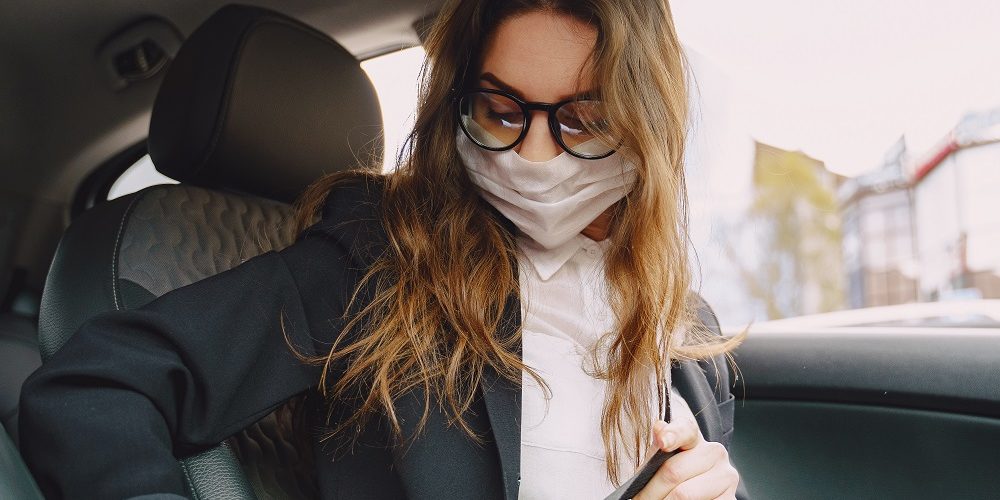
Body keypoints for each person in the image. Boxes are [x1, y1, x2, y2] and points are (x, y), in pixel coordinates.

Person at [20, 0, 748, 499]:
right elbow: (97, 388)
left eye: (582, 122)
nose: (532, 155)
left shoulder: (684, 332)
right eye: (501, 111)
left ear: (642, 123)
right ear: (458, 107)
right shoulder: (380, 259)